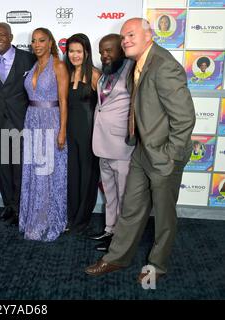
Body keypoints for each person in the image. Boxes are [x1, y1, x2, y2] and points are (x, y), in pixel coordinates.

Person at [85, 18, 195, 283]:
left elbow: (185, 118)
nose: (125, 41)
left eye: (131, 35)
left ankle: (157, 266)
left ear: (149, 35)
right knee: (131, 208)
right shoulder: (138, 63)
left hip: (164, 156)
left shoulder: (164, 66)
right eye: (123, 37)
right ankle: (116, 258)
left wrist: (169, 156)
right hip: (141, 151)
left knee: (164, 217)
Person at [0, 22, 35, 226]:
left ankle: (22, 207)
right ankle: (9, 206)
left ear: (11, 38)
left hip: (21, 121)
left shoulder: (28, 58)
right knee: (2, 168)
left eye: (2, 35)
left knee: (20, 168)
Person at [19, 27, 69, 241]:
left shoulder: (58, 66)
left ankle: (48, 221)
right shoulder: (33, 66)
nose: (37, 44)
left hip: (51, 121)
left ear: (50, 43)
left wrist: (62, 131)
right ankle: (32, 218)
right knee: (33, 171)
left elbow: (64, 101)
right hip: (31, 120)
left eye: (41, 40)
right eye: (33, 41)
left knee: (47, 173)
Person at [89, 34, 135, 252]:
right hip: (102, 142)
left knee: (124, 194)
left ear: (121, 49)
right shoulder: (104, 73)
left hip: (121, 144)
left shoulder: (131, 70)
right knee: (109, 191)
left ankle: (122, 239)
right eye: (101, 51)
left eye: (108, 50)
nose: (104, 55)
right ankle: (110, 229)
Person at [65, 33, 101, 235]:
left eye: (79, 51)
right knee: (72, 176)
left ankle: (82, 220)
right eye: (71, 51)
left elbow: (105, 108)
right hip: (69, 132)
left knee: (88, 177)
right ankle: (71, 216)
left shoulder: (95, 75)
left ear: (87, 52)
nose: (75, 55)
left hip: (89, 133)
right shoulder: (66, 73)